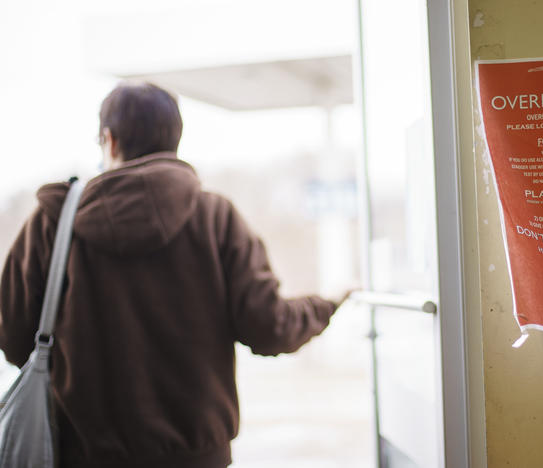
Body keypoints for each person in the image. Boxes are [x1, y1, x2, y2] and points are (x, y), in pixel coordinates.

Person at [0, 82, 343, 468]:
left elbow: (14, 341)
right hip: (197, 458)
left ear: (109, 141)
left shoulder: (52, 224)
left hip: (84, 456)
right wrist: (327, 302)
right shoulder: (217, 218)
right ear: (175, 141)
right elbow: (269, 327)